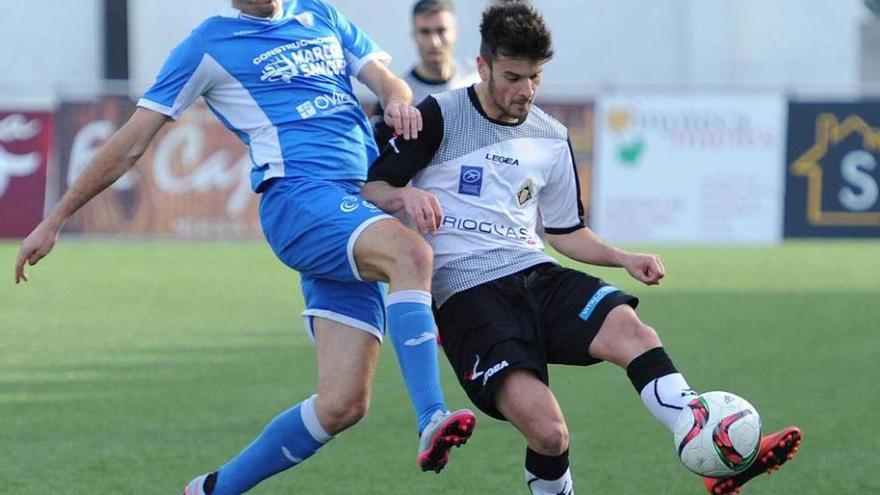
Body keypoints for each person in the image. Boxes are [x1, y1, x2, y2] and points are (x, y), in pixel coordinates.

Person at [14, 1, 475, 493]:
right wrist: (56, 217)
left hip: (355, 205)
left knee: (341, 405)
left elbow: (388, 81)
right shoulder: (209, 43)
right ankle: (432, 415)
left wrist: (397, 98)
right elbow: (131, 141)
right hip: (299, 199)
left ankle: (212, 489)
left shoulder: (318, 13)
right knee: (413, 255)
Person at [362, 2, 802, 495]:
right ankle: (713, 454)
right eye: (512, 77)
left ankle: (717, 454)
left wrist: (623, 258)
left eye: (534, 77)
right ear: (483, 66)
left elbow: (565, 232)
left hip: (535, 271)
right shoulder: (439, 116)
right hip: (468, 295)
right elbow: (370, 186)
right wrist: (405, 195)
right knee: (550, 435)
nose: (524, 91)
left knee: (633, 330)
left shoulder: (551, 136)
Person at [372, 0, 479, 140]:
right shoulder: (398, 99)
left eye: (441, 31)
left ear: (455, 32)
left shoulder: (479, 77)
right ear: (414, 35)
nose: (434, 42)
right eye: (425, 32)